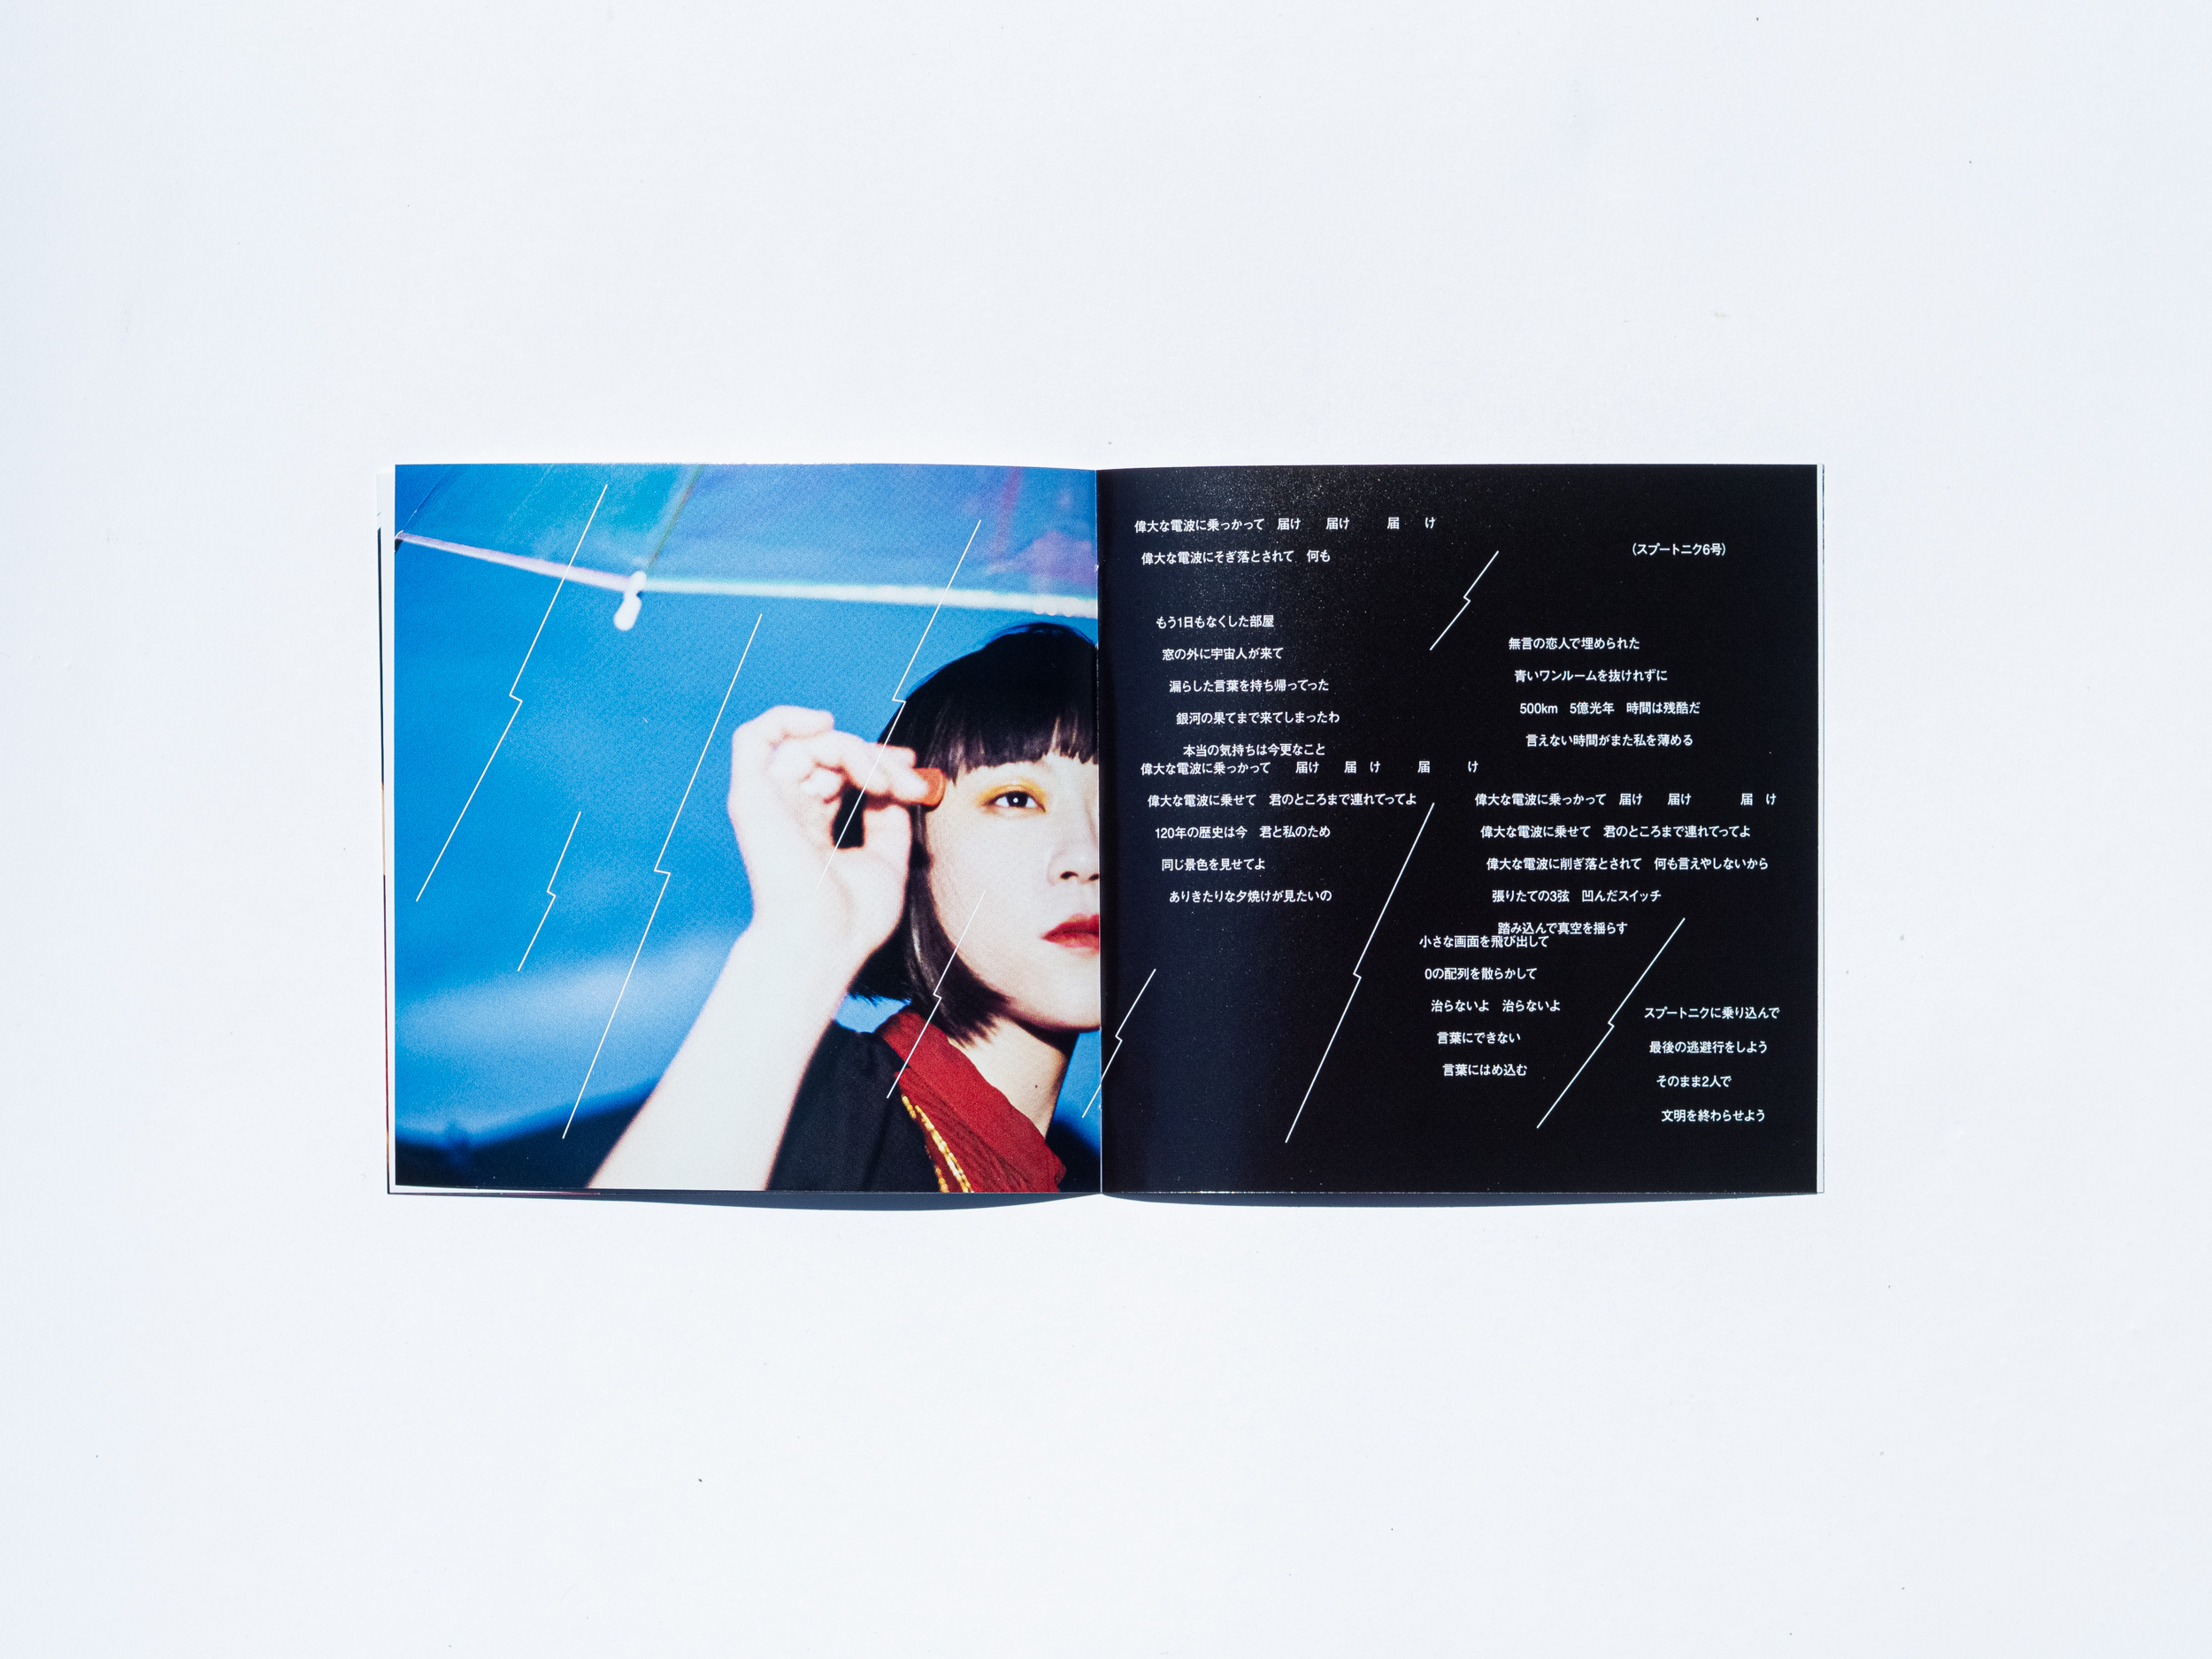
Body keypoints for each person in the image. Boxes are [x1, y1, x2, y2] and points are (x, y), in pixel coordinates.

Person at [591, 623, 1101, 1193]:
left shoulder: (1079, 1178)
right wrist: (801, 940)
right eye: (1017, 798)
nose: (1086, 856)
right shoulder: (828, 1112)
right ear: (912, 844)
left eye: (1119, 805)